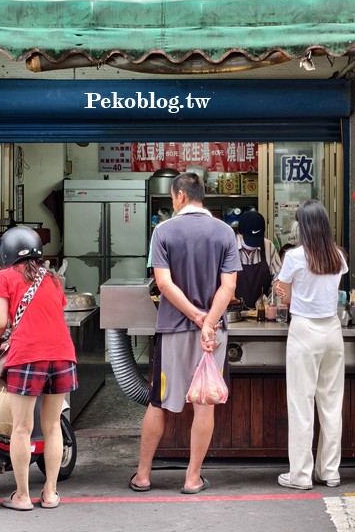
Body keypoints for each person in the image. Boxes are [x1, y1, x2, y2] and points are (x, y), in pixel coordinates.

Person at [130, 172, 240, 495]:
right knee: (204, 405)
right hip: (213, 334)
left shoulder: (162, 232)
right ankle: (192, 478)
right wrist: (207, 322)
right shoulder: (225, 233)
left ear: (179, 196)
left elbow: (163, 284)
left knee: (158, 403)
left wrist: (194, 315)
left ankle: (143, 476)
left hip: (173, 331)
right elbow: (229, 286)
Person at [0, 226, 77, 511]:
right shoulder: (52, 278)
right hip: (62, 354)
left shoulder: (4, 277)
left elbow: (0, 322)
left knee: (22, 429)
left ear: (7, 253)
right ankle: (50, 493)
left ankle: (23, 496)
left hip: (27, 357)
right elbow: (51, 315)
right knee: (52, 426)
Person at [273, 200, 348, 490]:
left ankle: (301, 475)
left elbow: (286, 298)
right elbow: (331, 294)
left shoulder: (294, 257)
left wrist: (283, 292)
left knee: (301, 403)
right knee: (331, 404)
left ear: (302, 226)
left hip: (304, 330)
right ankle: (330, 471)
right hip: (332, 330)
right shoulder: (339, 257)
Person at [234, 211, 277, 309]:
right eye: (249, 239)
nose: (253, 244)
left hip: (262, 313)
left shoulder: (268, 246)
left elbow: (278, 278)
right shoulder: (229, 248)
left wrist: (270, 302)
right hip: (233, 312)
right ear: (239, 234)